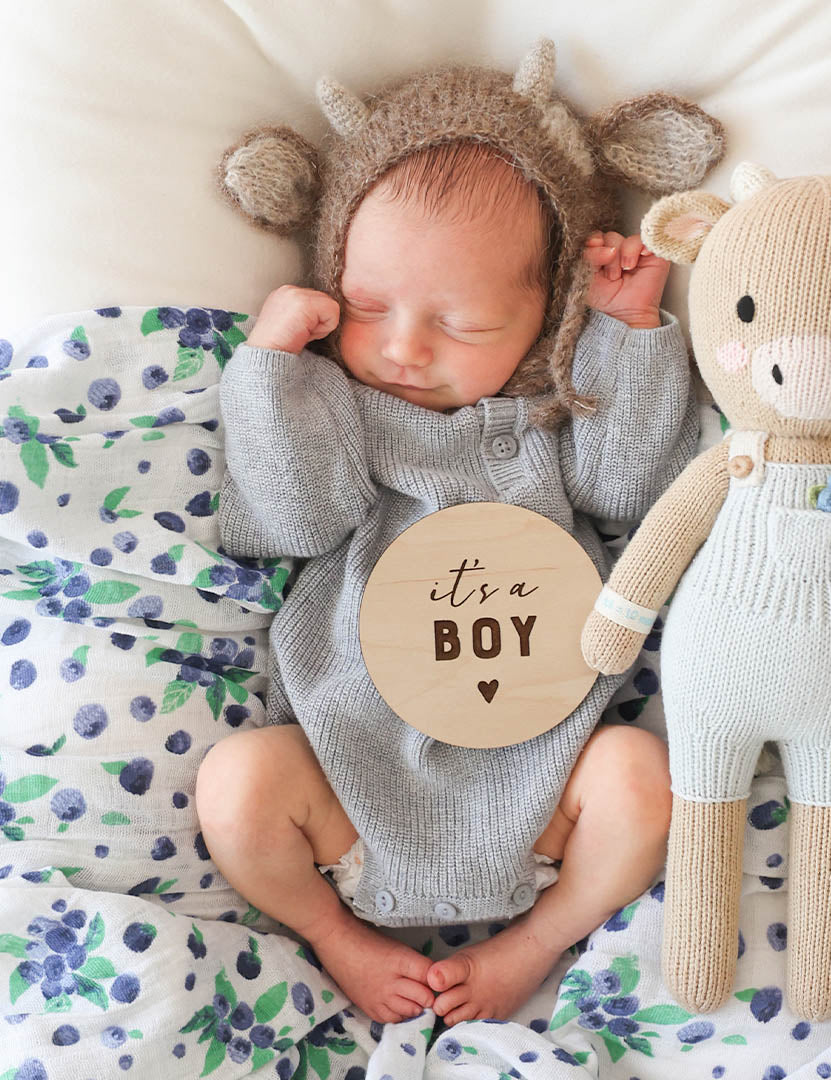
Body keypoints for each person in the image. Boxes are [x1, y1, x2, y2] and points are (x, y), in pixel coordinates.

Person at [196, 52, 709, 1027]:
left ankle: (537, 941)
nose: (403, 348)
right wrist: (268, 370)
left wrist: (628, 333)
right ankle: (337, 937)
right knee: (237, 784)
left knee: (644, 781)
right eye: (372, 307)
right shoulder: (342, 409)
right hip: (353, 778)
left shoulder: (551, 426)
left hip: (544, 790)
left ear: (544, 315)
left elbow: (632, 490)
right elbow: (285, 521)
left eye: (464, 322)